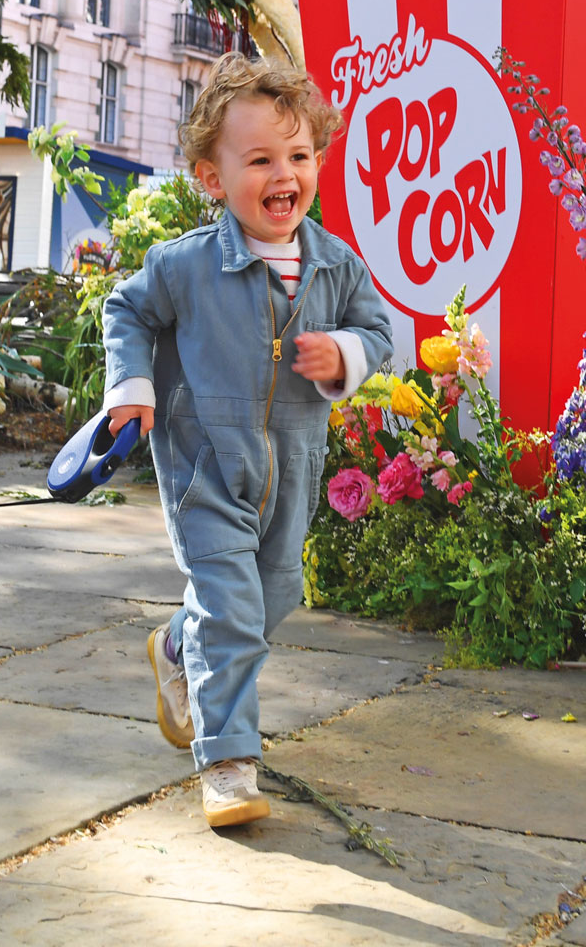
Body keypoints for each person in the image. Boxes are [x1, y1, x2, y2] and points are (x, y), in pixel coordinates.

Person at [101, 53, 393, 828]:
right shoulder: (187, 265)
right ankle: (228, 760)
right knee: (230, 608)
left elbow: (380, 329)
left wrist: (349, 355)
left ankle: (175, 650)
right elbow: (124, 312)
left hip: (291, 468)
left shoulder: (334, 266)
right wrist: (131, 389)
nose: (283, 175)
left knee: (277, 593)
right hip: (206, 469)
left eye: (298, 156)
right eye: (259, 159)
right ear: (211, 177)